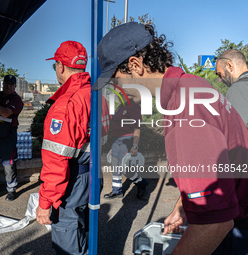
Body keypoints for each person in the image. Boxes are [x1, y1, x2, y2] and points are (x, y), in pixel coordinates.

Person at [92, 22, 248, 255]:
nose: (118, 88)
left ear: (135, 65)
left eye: (116, 80)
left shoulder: (186, 107)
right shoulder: (191, 87)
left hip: (234, 230)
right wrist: (183, 205)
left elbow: (215, 223)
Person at [36, 40, 90, 255]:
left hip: (71, 183)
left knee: (68, 237)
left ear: (60, 66)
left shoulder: (66, 104)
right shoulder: (96, 94)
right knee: (83, 231)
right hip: (91, 178)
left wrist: (45, 202)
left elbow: (57, 161)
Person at [103, 87, 149, 200]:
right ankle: (117, 191)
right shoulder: (121, 106)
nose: (118, 97)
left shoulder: (134, 107)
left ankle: (141, 183)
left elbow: (137, 129)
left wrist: (134, 146)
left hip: (128, 140)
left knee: (125, 169)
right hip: (117, 140)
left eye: (121, 95)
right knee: (115, 165)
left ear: (128, 95)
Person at [215, 49, 248, 125]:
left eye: (220, 74)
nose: (220, 80)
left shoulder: (237, 89)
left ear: (229, 66)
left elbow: (239, 130)